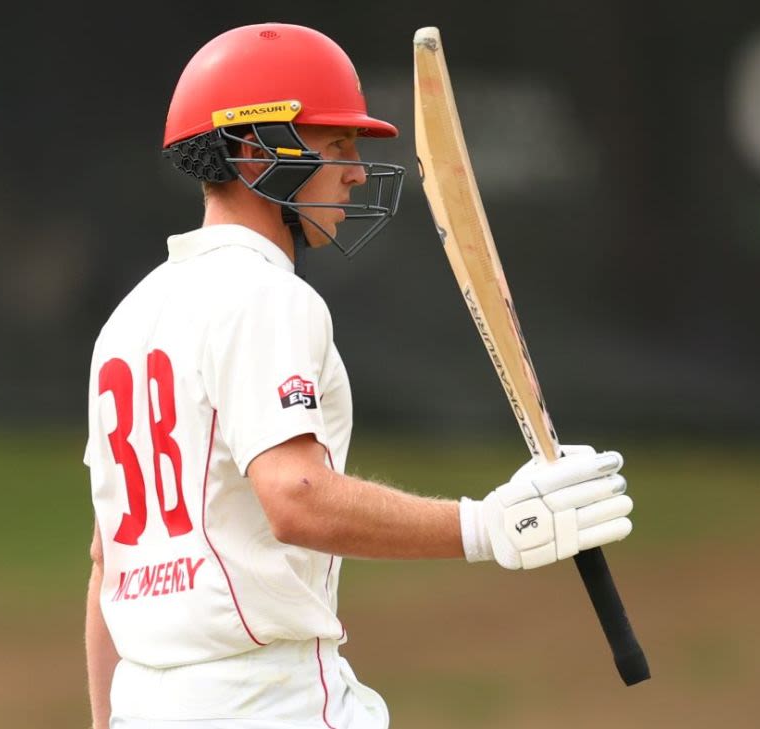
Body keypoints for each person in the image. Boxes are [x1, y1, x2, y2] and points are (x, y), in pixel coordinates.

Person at [83, 22, 635, 729]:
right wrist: (490, 525)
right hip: (268, 705)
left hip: (145, 705)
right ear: (256, 150)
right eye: (336, 144)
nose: (355, 169)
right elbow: (298, 497)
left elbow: (109, 563)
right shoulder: (266, 294)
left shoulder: (130, 318)